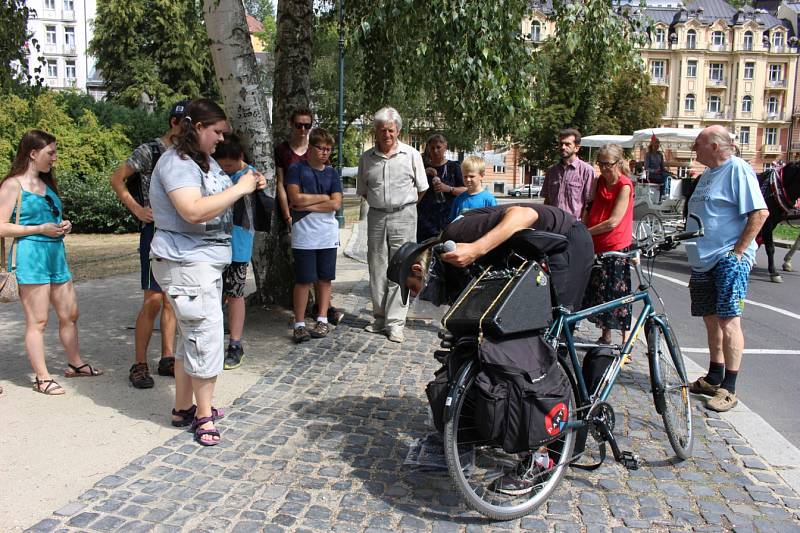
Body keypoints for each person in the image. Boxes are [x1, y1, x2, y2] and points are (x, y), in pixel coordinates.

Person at [149, 99, 266, 445]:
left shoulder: (204, 161)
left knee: (193, 336)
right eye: (217, 131)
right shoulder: (178, 164)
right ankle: (203, 415)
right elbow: (192, 210)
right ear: (198, 127)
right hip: (187, 264)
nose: (221, 138)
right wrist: (239, 188)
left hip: (201, 264)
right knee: (207, 336)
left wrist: (247, 187)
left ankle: (183, 408)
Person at [0, 130, 103, 395]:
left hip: (56, 254)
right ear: (33, 153)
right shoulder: (13, 184)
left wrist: (62, 226)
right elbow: (1, 227)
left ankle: (75, 363)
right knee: (38, 320)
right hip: (31, 256)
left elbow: (51, 218)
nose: (55, 158)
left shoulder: (47, 184)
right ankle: (42, 377)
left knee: (70, 314)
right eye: (51, 153)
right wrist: (39, 229)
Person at [685, 125, 768, 412]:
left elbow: (760, 213)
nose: (694, 148)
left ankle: (729, 388)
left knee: (728, 320)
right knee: (710, 319)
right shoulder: (708, 174)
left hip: (726, 258)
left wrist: (737, 253)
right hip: (703, 259)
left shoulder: (738, 169)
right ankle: (714, 376)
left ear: (715, 147)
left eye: (698, 143)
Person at [110, 100, 189, 389]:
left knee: (170, 298)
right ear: (174, 122)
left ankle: (167, 357)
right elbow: (117, 179)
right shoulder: (150, 151)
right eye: (187, 123)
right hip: (154, 231)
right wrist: (138, 209)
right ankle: (139, 363)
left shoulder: (189, 155)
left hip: (179, 231)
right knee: (153, 299)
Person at [399, 203, 593, 315]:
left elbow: (524, 214)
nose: (417, 296)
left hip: (566, 239)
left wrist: (476, 249)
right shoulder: (452, 268)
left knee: (551, 322)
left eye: (413, 288)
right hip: (540, 251)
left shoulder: (454, 234)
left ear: (418, 269)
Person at [357, 107, 429, 343]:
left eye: (390, 130)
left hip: (404, 215)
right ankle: (379, 318)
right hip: (377, 215)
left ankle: (395, 322)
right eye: (381, 130)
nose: (386, 134)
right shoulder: (367, 158)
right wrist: (383, 205)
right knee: (377, 266)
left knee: (402, 267)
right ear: (375, 131)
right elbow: (364, 191)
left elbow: (422, 189)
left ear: (397, 130)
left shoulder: (411, 155)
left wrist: (402, 207)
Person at [274, 107, 344, 325]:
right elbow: (295, 198)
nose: (324, 152)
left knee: (325, 278)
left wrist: (309, 202)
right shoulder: (296, 168)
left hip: (326, 232)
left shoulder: (332, 172)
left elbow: (336, 203)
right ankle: (300, 322)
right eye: (320, 148)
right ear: (311, 149)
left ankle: (322, 318)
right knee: (304, 278)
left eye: (328, 149)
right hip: (304, 230)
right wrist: (322, 199)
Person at [212, 133, 258, 370]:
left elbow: (260, 184)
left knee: (236, 294)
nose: (226, 170)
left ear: (240, 158)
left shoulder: (249, 174)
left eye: (229, 166)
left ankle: (236, 343)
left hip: (238, 244)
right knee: (215, 293)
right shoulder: (214, 171)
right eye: (222, 166)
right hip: (214, 243)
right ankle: (213, 341)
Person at [581, 144, 635, 345]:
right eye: (600, 163)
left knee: (618, 294)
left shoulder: (625, 185)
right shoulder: (599, 181)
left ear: (618, 163)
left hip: (616, 246)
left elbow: (614, 221)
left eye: (607, 164)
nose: (603, 168)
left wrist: (586, 232)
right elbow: (590, 206)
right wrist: (583, 225)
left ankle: (625, 342)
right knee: (600, 293)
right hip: (596, 244)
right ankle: (605, 336)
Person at [416, 133, 466, 241]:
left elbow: (465, 191)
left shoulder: (453, 167)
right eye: (432, 148)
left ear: (445, 147)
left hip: (448, 218)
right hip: (425, 221)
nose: (435, 151)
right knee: (423, 253)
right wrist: (423, 173)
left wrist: (448, 189)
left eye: (438, 147)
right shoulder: (422, 167)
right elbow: (411, 188)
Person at [542, 128, 596, 220]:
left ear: (576, 148)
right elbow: (547, 200)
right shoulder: (551, 171)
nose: (563, 147)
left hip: (574, 225)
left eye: (567, 144)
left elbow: (590, 203)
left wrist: (582, 226)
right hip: (553, 224)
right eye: (561, 144)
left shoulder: (587, 171)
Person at [449, 156, 497, 221]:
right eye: (465, 176)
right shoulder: (459, 199)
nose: (468, 179)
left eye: (472, 176)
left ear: (482, 175)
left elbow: (493, 221)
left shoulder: (489, 199)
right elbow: (452, 222)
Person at [645, 136, 668, 202]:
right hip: (651, 174)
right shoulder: (648, 154)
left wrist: (665, 170)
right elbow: (646, 168)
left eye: (658, 143)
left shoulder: (660, 154)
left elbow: (662, 167)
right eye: (656, 143)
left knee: (669, 176)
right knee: (665, 177)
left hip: (660, 174)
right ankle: (663, 194)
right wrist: (655, 170)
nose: (657, 145)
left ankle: (665, 194)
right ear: (652, 144)